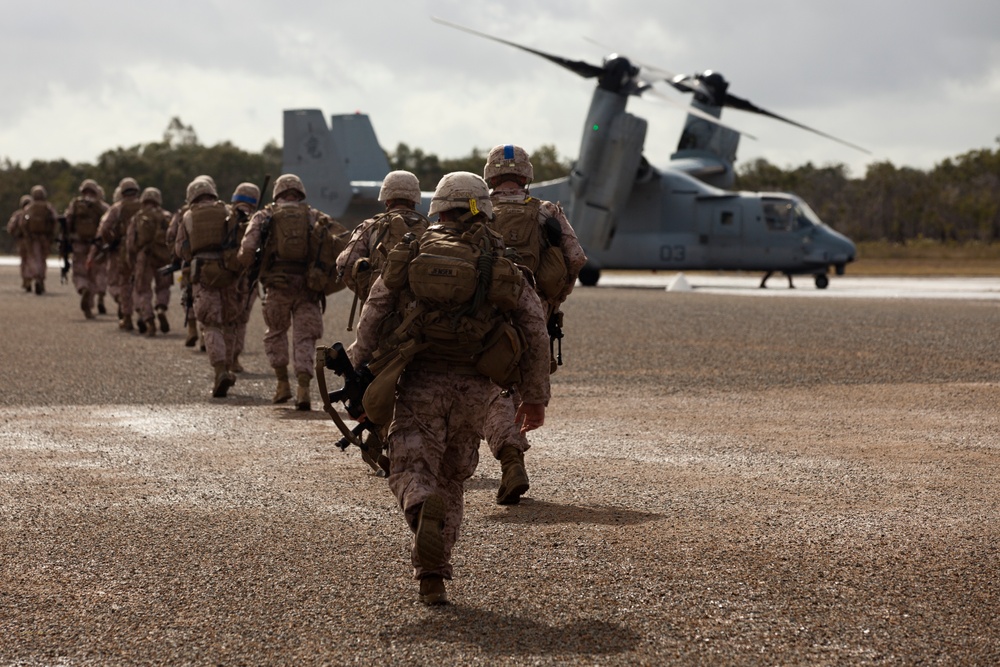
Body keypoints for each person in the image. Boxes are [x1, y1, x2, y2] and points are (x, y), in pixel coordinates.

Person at [348, 171, 551, 605]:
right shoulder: (499, 259)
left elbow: (375, 309)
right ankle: (434, 574)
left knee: (409, 469)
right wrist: (535, 398)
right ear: (482, 205)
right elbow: (534, 328)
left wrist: (356, 365)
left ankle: (422, 519)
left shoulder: (413, 249)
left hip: (421, 380)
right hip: (477, 386)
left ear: (437, 206)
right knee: (453, 478)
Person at [482, 144, 588, 504]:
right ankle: (514, 450)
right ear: (526, 176)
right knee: (521, 382)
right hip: (535, 311)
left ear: (491, 176)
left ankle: (510, 456)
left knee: (491, 387)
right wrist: (552, 301)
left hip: (488, 313)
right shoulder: (546, 211)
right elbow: (575, 258)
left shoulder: (478, 209)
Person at [237, 173, 346, 410]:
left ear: (277, 193)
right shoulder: (314, 216)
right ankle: (304, 389)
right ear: (300, 192)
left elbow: (246, 251)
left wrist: (255, 267)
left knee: (276, 332)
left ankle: (282, 384)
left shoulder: (265, 215)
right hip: (309, 286)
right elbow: (340, 245)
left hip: (277, 285)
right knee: (304, 337)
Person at [174, 178, 242, 397]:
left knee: (211, 325)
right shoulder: (228, 211)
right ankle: (230, 367)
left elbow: (181, 250)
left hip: (203, 274)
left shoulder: (188, 216)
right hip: (229, 273)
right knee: (230, 323)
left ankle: (220, 371)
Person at [336, 170, 429, 327]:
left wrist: (367, 293)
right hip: (417, 314)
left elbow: (344, 264)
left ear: (387, 201)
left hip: (376, 312)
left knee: (364, 351)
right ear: (414, 201)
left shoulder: (369, 227)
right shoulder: (429, 229)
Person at [90, 177, 142, 330]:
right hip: (141, 252)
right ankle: (143, 313)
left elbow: (105, 228)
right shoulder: (143, 207)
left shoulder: (117, 208)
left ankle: (126, 316)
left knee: (119, 283)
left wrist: (111, 242)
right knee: (139, 284)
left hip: (120, 251)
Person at [127, 187, 173, 335]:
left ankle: (149, 320)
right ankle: (160, 308)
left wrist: (132, 260)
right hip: (163, 256)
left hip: (144, 256)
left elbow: (130, 243)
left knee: (143, 290)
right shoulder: (166, 216)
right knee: (163, 287)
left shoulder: (137, 217)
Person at [64, 179, 110, 318]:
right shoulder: (102, 206)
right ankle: (91, 301)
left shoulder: (76, 204)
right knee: (94, 275)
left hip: (78, 243)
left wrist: (67, 240)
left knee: (79, 273)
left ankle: (83, 290)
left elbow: (67, 221)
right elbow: (108, 224)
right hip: (96, 246)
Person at [229, 182, 262, 373]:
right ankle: (234, 358)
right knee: (241, 320)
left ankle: (222, 359)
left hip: (225, 276)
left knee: (225, 320)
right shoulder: (258, 219)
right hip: (249, 279)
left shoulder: (224, 215)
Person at [20, 185, 59, 295]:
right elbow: (55, 220)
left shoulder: (29, 208)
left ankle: (37, 277)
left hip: (32, 239)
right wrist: (51, 235)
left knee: (34, 258)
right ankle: (41, 279)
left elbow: (23, 223)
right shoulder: (48, 207)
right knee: (42, 259)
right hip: (45, 238)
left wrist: (27, 235)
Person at [6, 195, 32, 292]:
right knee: (33, 260)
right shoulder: (34, 214)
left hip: (22, 241)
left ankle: (26, 279)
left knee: (24, 261)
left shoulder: (18, 214)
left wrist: (16, 235)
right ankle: (33, 278)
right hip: (33, 241)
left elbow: (11, 227)